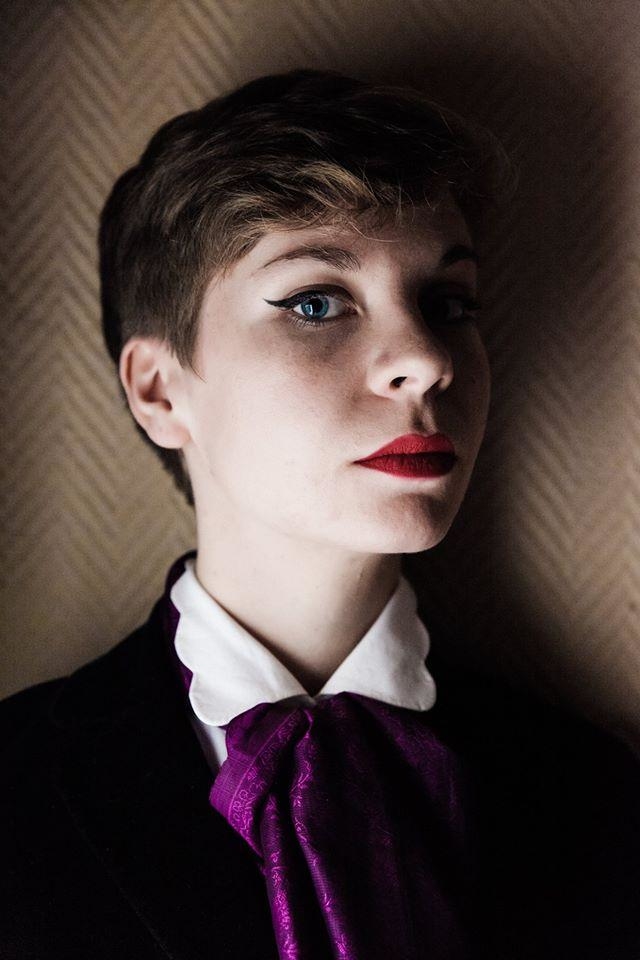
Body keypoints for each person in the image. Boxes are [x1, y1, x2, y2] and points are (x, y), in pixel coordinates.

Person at [2, 68, 639, 960]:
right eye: (316, 302)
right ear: (159, 390)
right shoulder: (12, 786)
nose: (427, 360)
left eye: (449, 304)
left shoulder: (602, 801)